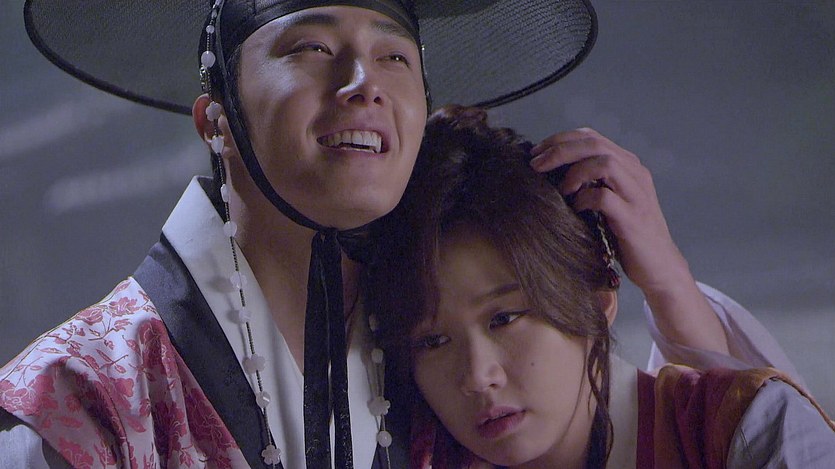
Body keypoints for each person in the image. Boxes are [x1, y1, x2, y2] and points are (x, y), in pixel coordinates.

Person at [0, 1, 799, 468]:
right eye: (311, 48)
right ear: (215, 118)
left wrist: (666, 281)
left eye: (393, 56)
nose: (362, 85)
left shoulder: (438, 378)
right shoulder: (82, 395)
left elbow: (681, 430)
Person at [366, 105, 835, 468]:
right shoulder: (410, 452)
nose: (476, 376)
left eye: (504, 318)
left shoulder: (745, 427)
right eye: (432, 341)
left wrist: (668, 279)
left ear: (596, 299)